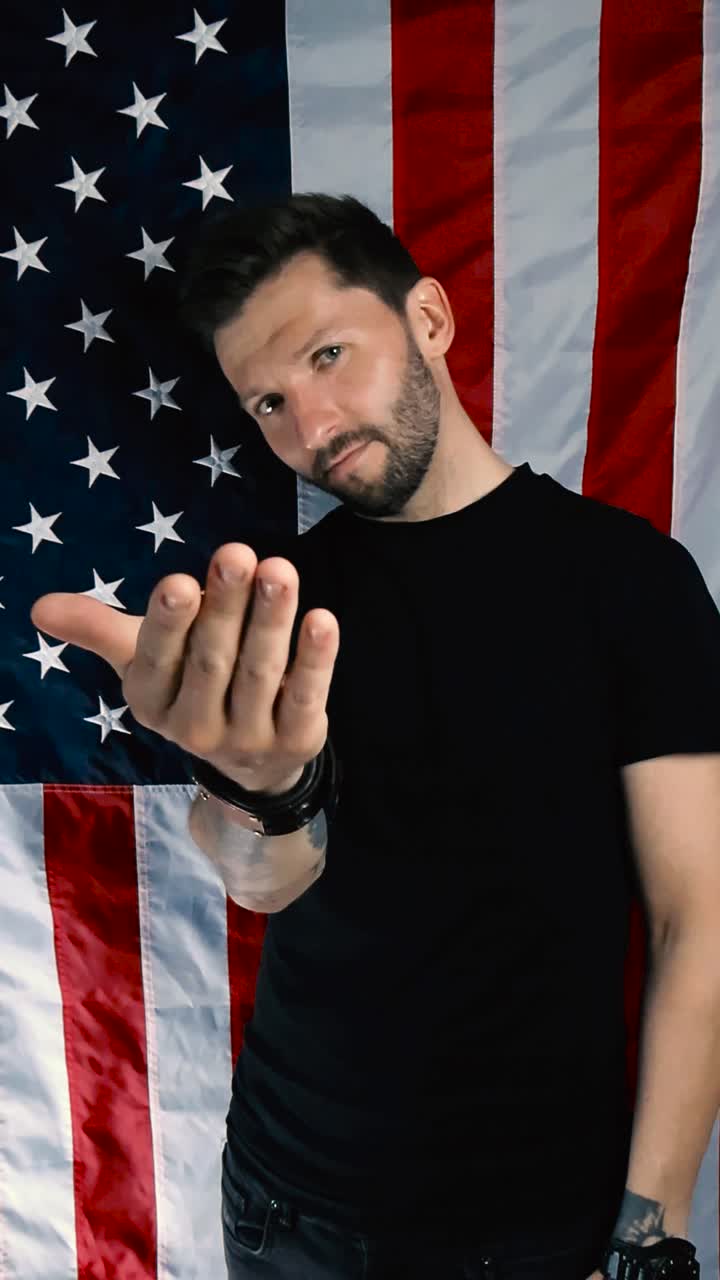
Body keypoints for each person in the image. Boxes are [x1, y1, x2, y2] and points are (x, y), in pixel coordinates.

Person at [30, 194, 717, 1280]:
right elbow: (264, 880)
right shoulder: (271, 604)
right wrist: (264, 786)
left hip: (545, 1221)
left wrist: (647, 1234)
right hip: (291, 1207)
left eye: (330, 354)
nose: (312, 425)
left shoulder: (631, 582)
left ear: (430, 319)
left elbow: (700, 916)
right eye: (269, 400)